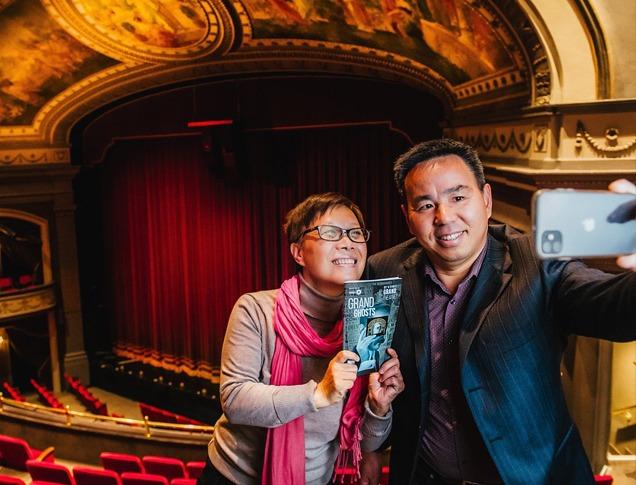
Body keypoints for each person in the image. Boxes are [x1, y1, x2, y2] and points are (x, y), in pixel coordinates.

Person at [366, 139, 636, 484]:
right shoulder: (384, 270)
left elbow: (619, 311)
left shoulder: (537, 264)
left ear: (487, 200)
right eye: (426, 204)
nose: (444, 217)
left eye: (458, 197)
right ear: (408, 217)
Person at [200, 192, 405, 485]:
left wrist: (379, 406)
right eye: (330, 232)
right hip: (233, 478)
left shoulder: (369, 322)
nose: (348, 242)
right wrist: (319, 394)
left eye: (356, 233)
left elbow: (368, 440)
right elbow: (235, 399)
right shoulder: (255, 309)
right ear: (298, 252)